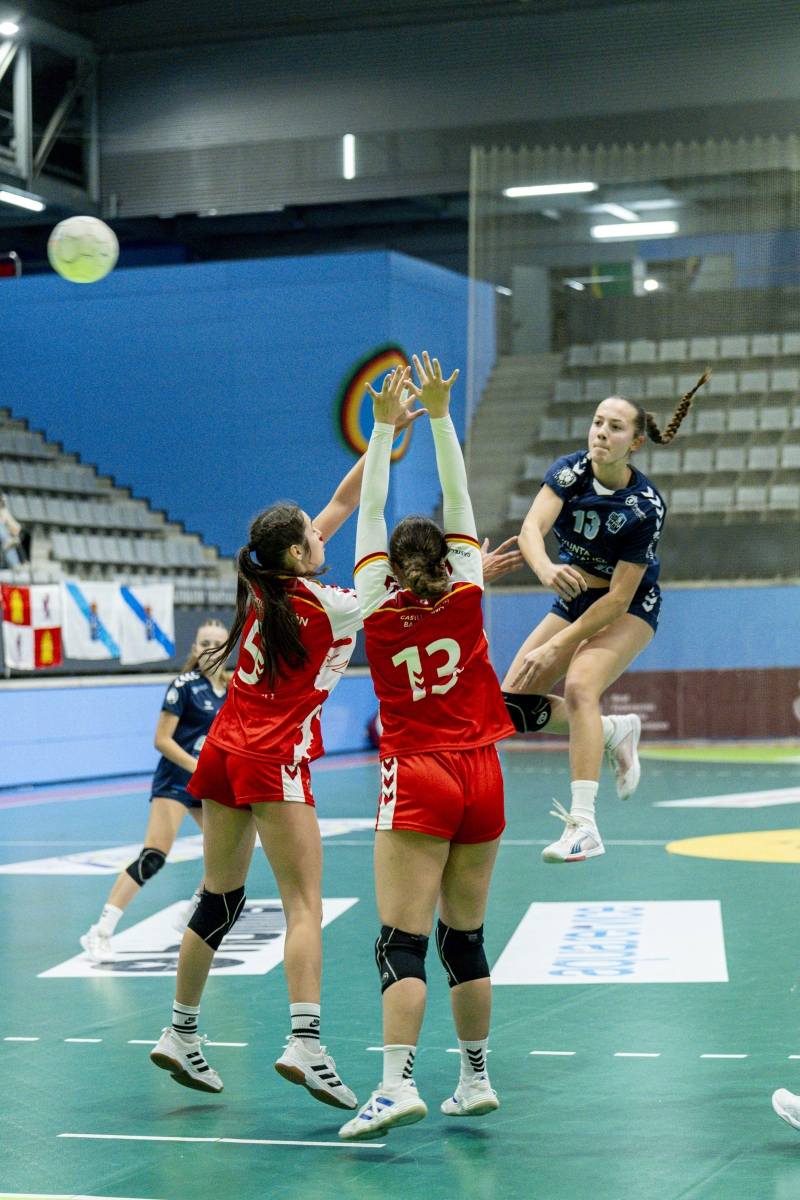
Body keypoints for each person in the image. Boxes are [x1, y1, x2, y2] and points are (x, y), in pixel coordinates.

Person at [148, 400, 423, 1107]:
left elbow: (341, 500)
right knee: (304, 904)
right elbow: (366, 520)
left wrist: (385, 435)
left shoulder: (263, 581)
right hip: (274, 758)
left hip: (223, 751)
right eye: (310, 531)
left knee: (220, 896)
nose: (320, 527)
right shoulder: (333, 604)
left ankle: (180, 1031)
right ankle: (305, 1042)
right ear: (299, 553)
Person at [338, 354, 515, 1142]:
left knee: (400, 941)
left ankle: (394, 1085)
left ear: (393, 564)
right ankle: (474, 1079)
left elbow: (370, 508)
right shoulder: (469, 586)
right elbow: (462, 497)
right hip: (484, 773)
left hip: (417, 773)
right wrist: (441, 417)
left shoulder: (375, 603)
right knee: (463, 937)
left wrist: (384, 430)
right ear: (447, 557)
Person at [500, 371, 709, 864]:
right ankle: (615, 732)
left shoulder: (645, 508)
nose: (601, 433)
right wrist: (546, 568)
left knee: (579, 687)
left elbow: (617, 600)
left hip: (629, 607)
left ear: (635, 443)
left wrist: (558, 644)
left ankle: (584, 825)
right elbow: (531, 528)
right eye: (597, 422)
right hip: (574, 597)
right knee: (512, 707)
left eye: (615, 427)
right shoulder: (569, 472)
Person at [80, 620, 232, 963]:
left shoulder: (232, 689)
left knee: (226, 853)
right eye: (204, 642)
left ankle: (189, 914)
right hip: (176, 780)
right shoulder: (184, 686)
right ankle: (99, 932)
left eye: (217, 643)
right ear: (194, 649)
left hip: (206, 783)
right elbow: (161, 740)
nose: (210, 648)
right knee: (153, 856)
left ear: (228, 649)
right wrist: (197, 767)